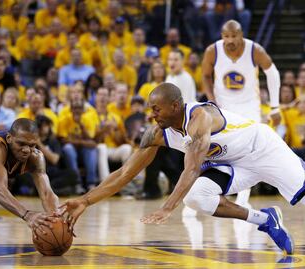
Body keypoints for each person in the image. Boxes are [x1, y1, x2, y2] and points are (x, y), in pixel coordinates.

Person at [60, 82, 302, 255]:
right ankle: (266, 219)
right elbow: (124, 173)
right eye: (150, 109)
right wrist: (85, 201)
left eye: (156, 109)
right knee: (196, 198)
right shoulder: (157, 133)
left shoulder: (200, 118)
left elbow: (192, 170)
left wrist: (167, 208)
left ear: (175, 106)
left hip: (264, 149)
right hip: (233, 164)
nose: (151, 115)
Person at [201, 20, 282, 206]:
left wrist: (275, 107)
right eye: (226, 36)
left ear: (241, 34)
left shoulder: (255, 50)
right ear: (222, 36)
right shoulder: (213, 51)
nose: (230, 40)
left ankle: (243, 197)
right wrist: (211, 99)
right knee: (220, 149)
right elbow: (205, 75)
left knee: (249, 151)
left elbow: (273, 73)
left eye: (234, 36)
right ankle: (222, 188)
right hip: (223, 106)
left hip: (249, 106)